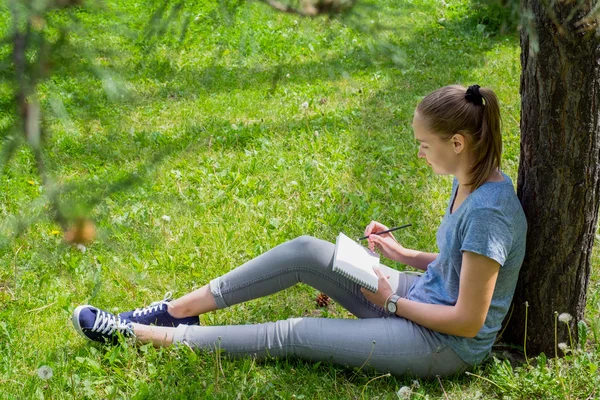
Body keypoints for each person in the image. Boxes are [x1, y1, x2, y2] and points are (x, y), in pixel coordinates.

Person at [71, 84, 527, 378]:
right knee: (309, 251)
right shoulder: (466, 180)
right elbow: (459, 267)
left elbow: (468, 321)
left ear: (457, 143)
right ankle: (176, 310)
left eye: (424, 146)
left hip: (442, 344)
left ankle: (149, 338)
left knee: (294, 333)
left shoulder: (490, 212)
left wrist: (390, 300)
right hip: (422, 297)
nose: (421, 155)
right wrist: (404, 255)